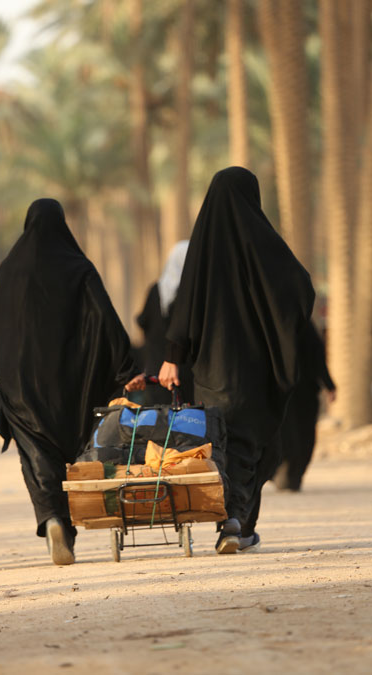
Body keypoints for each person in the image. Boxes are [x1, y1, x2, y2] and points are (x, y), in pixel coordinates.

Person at [159, 167, 315, 554]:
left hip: (212, 371)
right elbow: (301, 289)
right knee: (255, 445)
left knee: (226, 445)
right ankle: (237, 522)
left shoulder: (202, 250)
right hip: (259, 370)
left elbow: (184, 309)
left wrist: (173, 358)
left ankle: (235, 523)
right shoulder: (265, 245)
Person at [0, 199, 144, 565]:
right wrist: (126, 367)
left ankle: (53, 518)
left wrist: (7, 377)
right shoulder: (79, 267)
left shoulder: (10, 270)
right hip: (75, 387)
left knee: (36, 457)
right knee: (71, 452)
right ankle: (66, 524)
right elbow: (105, 316)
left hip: (24, 386)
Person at [273, 320, 336, 491]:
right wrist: (329, 385)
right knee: (300, 435)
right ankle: (289, 476)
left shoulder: (270, 321)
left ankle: (286, 475)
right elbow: (317, 355)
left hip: (281, 391)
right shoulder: (303, 322)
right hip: (301, 392)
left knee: (288, 434)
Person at [136, 240, 194, 404]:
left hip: (156, 371)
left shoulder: (155, 290)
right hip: (184, 371)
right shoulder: (191, 296)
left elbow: (143, 322)